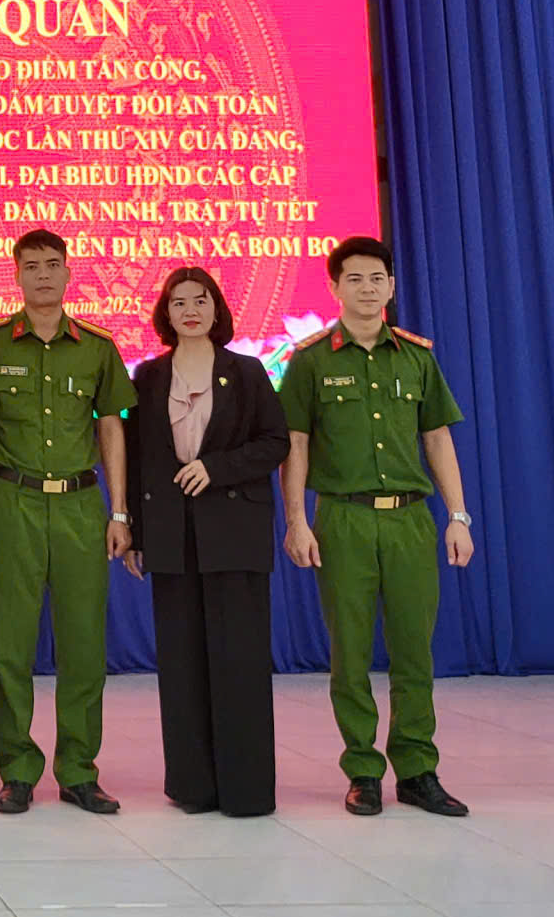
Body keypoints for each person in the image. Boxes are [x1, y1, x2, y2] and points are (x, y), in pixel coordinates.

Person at [279, 235, 475, 820]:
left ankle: (417, 769)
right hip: (344, 519)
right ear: (334, 287)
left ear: (391, 285)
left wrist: (458, 516)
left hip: (410, 519)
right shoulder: (311, 360)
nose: (367, 289)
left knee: (415, 650)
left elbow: (437, 439)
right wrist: (296, 520)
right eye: (355, 279)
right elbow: (295, 445)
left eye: (377, 279)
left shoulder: (417, 357)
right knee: (350, 651)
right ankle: (363, 770)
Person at [0, 228, 134, 815]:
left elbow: (111, 427)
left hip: (82, 505)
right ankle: (17, 769)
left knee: (83, 644)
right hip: (14, 502)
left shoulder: (97, 346)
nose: (42, 275)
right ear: (16, 274)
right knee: (12, 646)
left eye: (52, 264)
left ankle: (79, 770)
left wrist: (118, 510)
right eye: (31, 266)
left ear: (67, 272)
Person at [120, 268, 289, 818]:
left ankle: (246, 791)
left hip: (234, 533)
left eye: (200, 300)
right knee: (181, 664)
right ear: (165, 313)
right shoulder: (148, 376)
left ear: (217, 308)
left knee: (239, 662)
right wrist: (135, 532)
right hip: (172, 536)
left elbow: (275, 442)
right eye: (179, 302)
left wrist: (216, 468)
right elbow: (140, 457)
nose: (190, 310)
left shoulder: (246, 371)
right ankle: (192, 786)